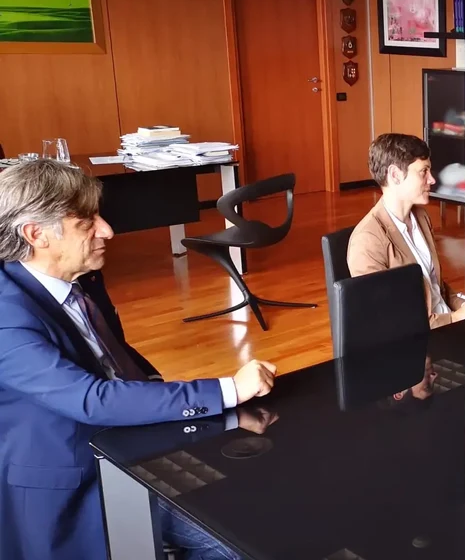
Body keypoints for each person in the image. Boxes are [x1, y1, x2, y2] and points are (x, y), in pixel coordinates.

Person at [0, 160, 277, 560]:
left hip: (135, 441)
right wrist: (228, 389)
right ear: (35, 234)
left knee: (260, 497)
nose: (107, 231)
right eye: (87, 224)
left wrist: (159, 390)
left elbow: (116, 354)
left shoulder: (81, 276)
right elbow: (91, 400)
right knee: (236, 546)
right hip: (79, 476)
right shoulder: (7, 314)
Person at [348, 133, 465, 329]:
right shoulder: (368, 240)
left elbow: (435, 285)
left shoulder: (421, 217)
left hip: (445, 325)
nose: (432, 179)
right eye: (423, 172)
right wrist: (456, 317)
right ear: (395, 175)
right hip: (413, 344)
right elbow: (389, 319)